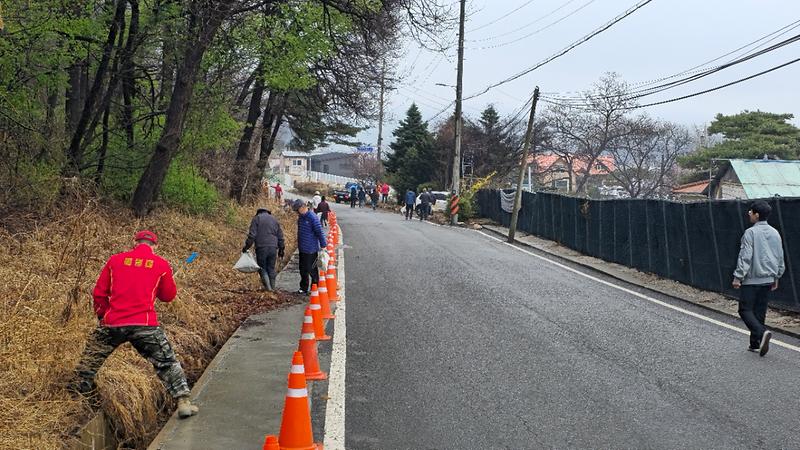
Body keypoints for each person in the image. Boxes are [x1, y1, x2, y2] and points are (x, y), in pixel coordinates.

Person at [72, 231, 199, 418]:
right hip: (145, 324)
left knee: (89, 362)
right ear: (155, 246)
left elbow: (99, 293)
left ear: (135, 243)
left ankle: (75, 404)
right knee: (167, 363)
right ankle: (183, 402)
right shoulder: (161, 265)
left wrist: (103, 316)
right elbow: (168, 296)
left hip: (113, 322)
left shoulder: (115, 261)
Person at [733, 200, 785, 357]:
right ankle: (755, 344)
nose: (749, 213)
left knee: (744, 309)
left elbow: (745, 256)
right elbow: (779, 256)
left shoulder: (750, 233)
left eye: (751, 211)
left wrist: (738, 276)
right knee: (759, 311)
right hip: (768, 278)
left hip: (752, 278)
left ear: (756, 215)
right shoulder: (775, 233)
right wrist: (777, 276)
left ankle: (761, 333)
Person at [242, 208, 285, 291]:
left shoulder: (256, 219)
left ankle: (268, 289)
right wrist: (281, 249)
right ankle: (273, 288)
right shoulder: (274, 219)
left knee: (262, 268)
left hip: (261, 247)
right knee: (271, 268)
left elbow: (252, 235)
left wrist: (246, 247)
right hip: (273, 247)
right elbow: (280, 236)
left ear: (258, 213)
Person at [293, 199, 327, 294]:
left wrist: (323, 245)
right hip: (302, 248)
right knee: (302, 269)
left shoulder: (312, 217)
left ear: (302, 207)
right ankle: (303, 288)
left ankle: (315, 287)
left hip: (311, 249)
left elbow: (319, 232)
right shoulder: (301, 218)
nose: (296, 212)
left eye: (297, 210)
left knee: (311, 269)